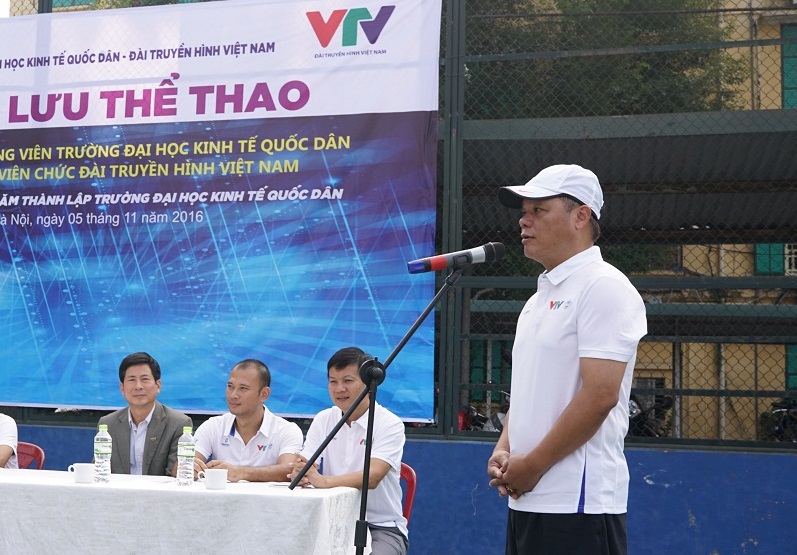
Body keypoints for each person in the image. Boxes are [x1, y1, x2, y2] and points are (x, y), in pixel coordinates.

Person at [486, 164, 647, 555]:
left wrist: (533, 465)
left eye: (539, 210)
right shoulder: (536, 299)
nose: (524, 220)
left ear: (581, 216)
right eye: (524, 211)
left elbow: (601, 395)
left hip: (579, 504)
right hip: (526, 497)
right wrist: (504, 450)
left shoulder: (604, 286)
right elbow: (527, 394)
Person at [289, 347, 408, 555]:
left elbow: (372, 477)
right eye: (333, 381)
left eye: (348, 381)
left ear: (369, 382)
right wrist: (300, 472)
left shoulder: (389, 423)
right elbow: (305, 466)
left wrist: (324, 481)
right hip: (331, 522)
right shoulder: (324, 419)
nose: (339, 389)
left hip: (380, 527)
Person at [193, 358, 302, 482]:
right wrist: (190, 468)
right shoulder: (212, 426)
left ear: (264, 394)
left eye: (243, 388)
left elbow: (289, 471)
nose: (233, 395)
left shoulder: (287, 430)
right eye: (230, 386)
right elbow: (183, 466)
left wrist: (240, 473)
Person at [99, 352, 192, 476]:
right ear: (122, 388)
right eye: (132, 380)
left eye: (145, 379)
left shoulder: (178, 424)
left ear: (158, 385)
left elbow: (176, 474)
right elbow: (99, 469)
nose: (138, 386)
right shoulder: (108, 424)